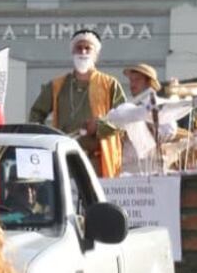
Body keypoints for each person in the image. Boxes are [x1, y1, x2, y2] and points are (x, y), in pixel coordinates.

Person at [29, 29, 126, 177]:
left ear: (96, 54)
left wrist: (100, 127)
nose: (83, 52)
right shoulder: (57, 85)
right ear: (72, 52)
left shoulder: (109, 84)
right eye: (79, 48)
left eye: (88, 48)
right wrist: (45, 141)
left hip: (99, 163)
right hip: (65, 160)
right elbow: (36, 115)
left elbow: (125, 119)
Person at [103, 62, 186, 174]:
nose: (132, 84)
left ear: (149, 83)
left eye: (137, 80)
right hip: (126, 168)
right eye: (131, 80)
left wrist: (145, 125)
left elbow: (170, 130)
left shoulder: (158, 105)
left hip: (151, 167)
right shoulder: (126, 107)